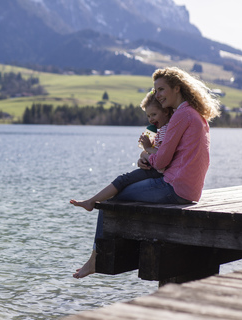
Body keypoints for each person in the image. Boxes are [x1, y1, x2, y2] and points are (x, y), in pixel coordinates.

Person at [72, 66, 221, 279]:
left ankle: (96, 259)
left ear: (177, 88)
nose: (157, 95)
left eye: (161, 90)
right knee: (122, 189)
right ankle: (100, 253)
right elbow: (166, 158)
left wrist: (147, 154)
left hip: (174, 187)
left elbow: (161, 161)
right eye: (155, 90)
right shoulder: (194, 113)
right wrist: (149, 157)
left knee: (109, 202)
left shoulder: (182, 115)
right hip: (188, 189)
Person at [70, 91, 172, 212]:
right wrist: (143, 157)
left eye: (154, 114)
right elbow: (152, 153)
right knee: (124, 181)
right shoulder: (161, 131)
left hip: (157, 172)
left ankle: (91, 201)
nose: (151, 119)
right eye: (148, 116)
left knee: (123, 180)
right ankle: (92, 200)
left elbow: (162, 155)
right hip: (153, 168)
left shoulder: (167, 130)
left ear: (166, 112)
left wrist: (148, 148)